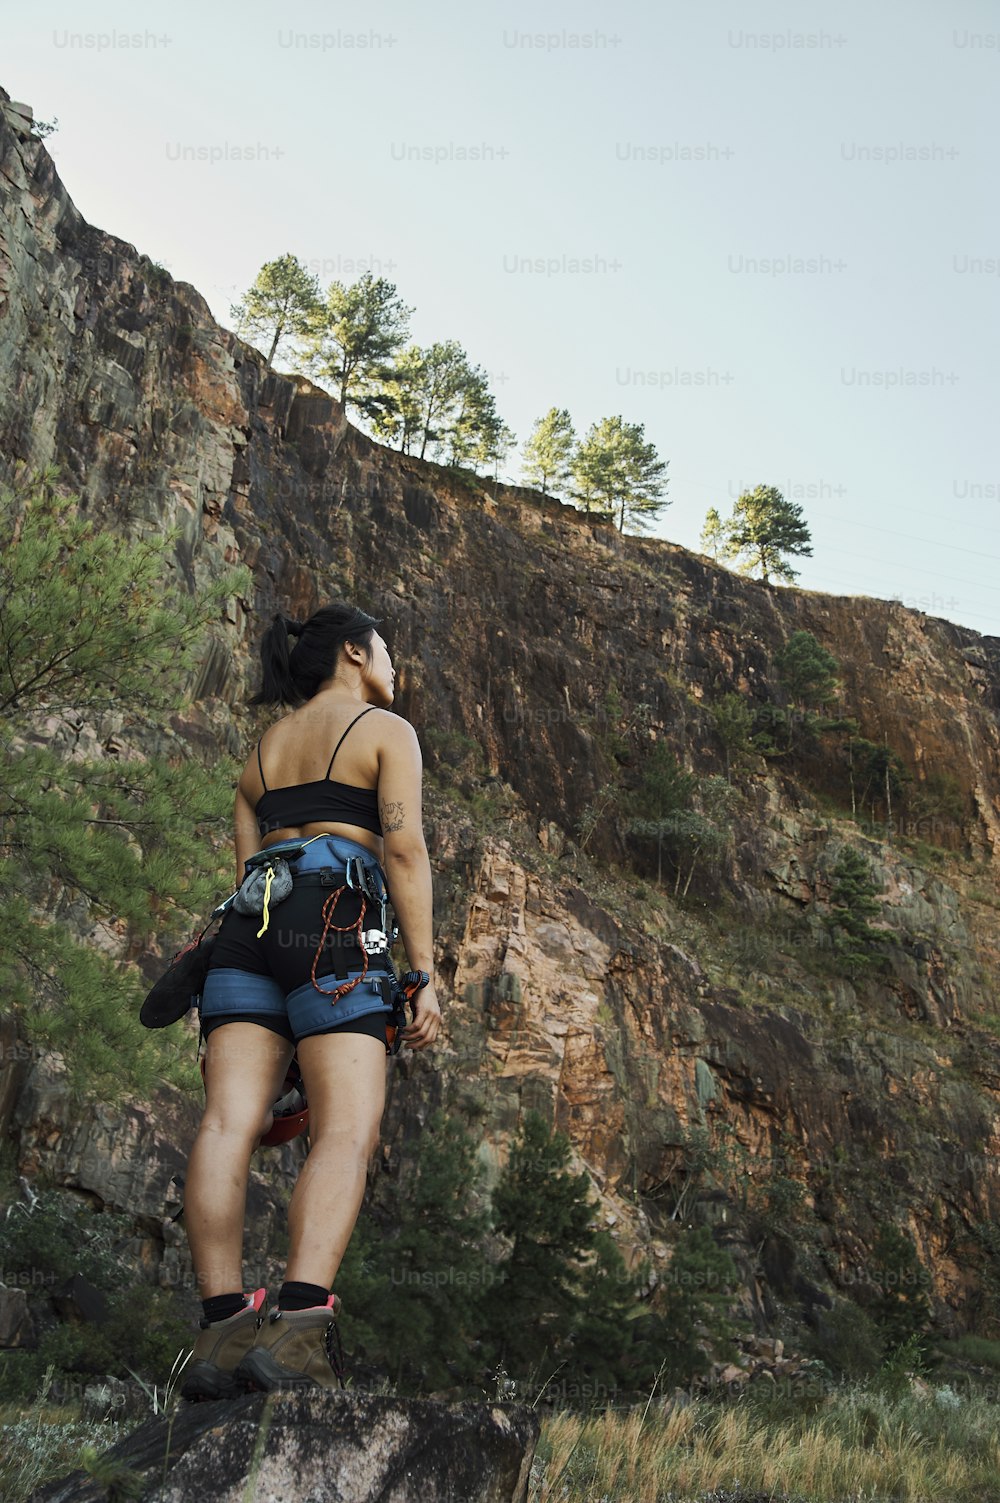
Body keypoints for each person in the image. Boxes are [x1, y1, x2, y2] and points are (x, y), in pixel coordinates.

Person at [180, 603, 441, 1399]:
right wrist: (423, 971)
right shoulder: (385, 732)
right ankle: (295, 1330)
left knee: (227, 1122)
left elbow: (246, 876)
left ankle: (223, 1331)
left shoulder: (260, 756)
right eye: (388, 650)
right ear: (356, 653)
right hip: (337, 918)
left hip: (246, 929)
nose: (396, 668)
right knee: (345, 1128)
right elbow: (402, 847)